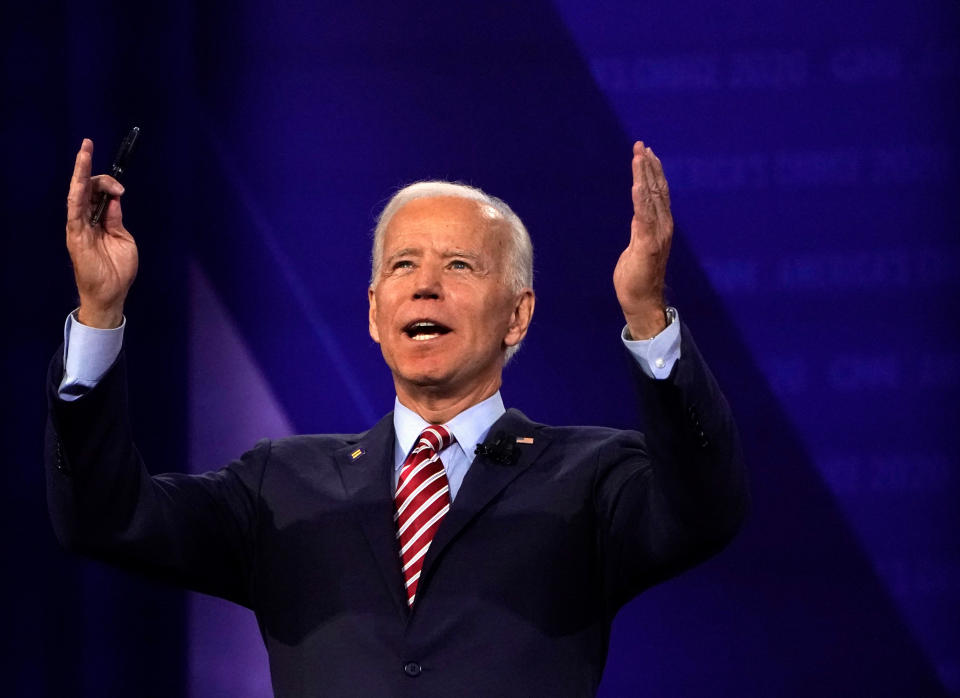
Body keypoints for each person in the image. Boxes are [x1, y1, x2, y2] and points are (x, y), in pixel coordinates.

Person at [47, 138, 748, 697]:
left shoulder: (593, 477)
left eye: (461, 265)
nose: (425, 284)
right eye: (404, 264)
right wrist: (101, 314)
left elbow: (704, 509)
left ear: (518, 314)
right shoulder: (279, 485)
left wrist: (649, 317)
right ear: (376, 313)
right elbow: (107, 518)